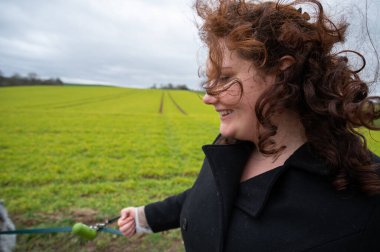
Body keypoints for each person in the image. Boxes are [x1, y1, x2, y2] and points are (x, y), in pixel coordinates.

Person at [118, 0, 380, 251]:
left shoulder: (364, 203)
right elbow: (210, 196)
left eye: (225, 77)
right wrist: (145, 217)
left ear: (282, 74)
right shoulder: (234, 144)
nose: (208, 97)